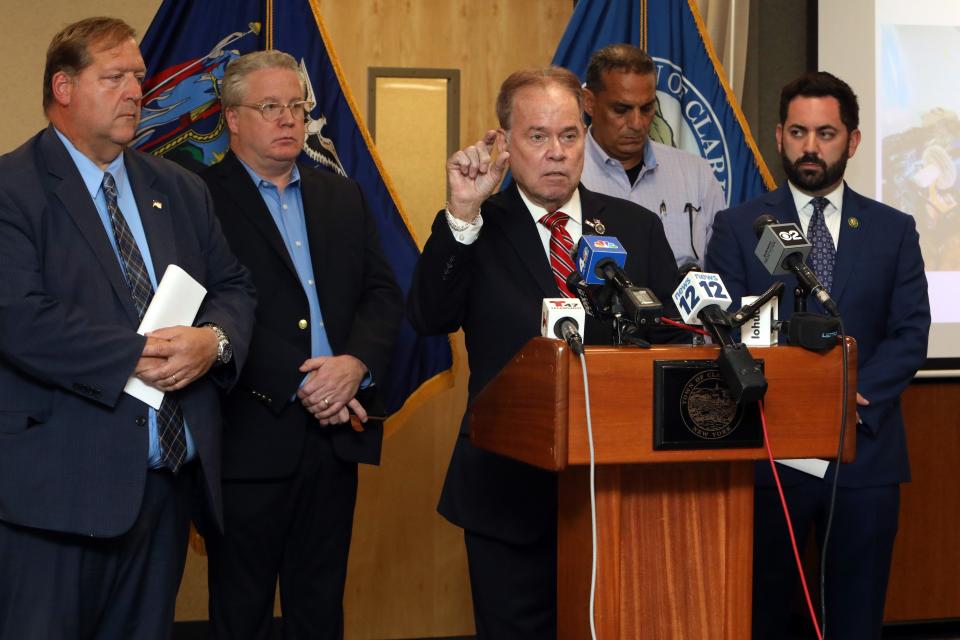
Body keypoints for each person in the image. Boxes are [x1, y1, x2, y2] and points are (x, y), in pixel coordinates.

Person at [0, 16, 255, 640]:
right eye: (114, 77)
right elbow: (19, 316)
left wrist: (212, 341)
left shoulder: (179, 187)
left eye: (139, 77)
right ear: (63, 88)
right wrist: (140, 354)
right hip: (54, 495)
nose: (136, 91)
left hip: (164, 492)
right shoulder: (12, 188)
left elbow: (234, 288)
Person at [407, 66, 680, 639]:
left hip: (614, 492)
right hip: (506, 491)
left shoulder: (633, 226)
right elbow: (429, 317)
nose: (556, 152)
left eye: (569, 135)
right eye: (537, 137)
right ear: (503, 144)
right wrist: (461, 214)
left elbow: (668, 344)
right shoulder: (478, 224)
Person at [704, 71, 930, 640]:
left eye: (826, 133)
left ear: (852, 141)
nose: (811, 147)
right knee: (764, 617)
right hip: (769, 455)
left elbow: (909, 333)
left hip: (864, 456)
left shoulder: (893, 230)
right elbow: (723, 330)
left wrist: (855, 399)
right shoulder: (739, 226)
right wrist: (790, 403)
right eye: (799, 132)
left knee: (854, 620)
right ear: (779, 136)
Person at [200, 50, 403, 640]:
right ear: (233, 118)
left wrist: (354, 365)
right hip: (248, 439)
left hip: (335, 437)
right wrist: (303, 383)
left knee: (320, 609)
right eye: (270, 107)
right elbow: (206, 312)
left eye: (296, 106)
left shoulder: (341, 195)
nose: (289, 119)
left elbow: (383, 295)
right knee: (242, 614)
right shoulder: (197, 198)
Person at [580, 43, 726, 267]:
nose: (637, 123)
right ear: (589, 102)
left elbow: (723, 266)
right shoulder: (566, 175)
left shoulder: (696, 174)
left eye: (647, 108)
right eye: (621, 110)